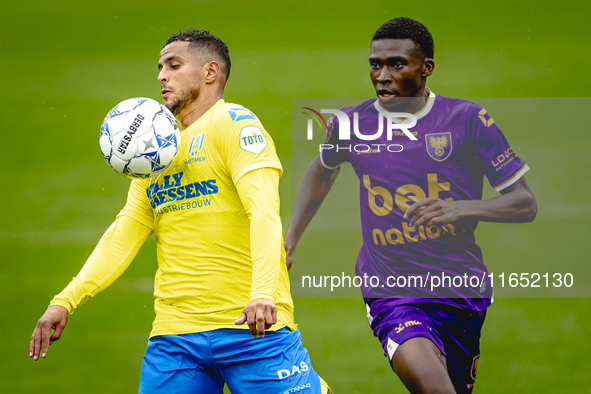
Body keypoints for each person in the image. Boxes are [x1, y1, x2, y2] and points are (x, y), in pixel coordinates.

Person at [30, 28, 331, 394]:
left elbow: (264, 211)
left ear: (210, 72)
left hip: (251, 325)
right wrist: (66, 299)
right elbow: (124, 231)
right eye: (159, 67)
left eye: (173, 65)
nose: (161, 76)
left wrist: (264, 292)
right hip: (175, 338)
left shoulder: (234, 125)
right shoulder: (155, 152)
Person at [285, 17, 537, 393]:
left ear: (426, 68)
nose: (382, 75)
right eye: (375, 64)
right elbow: (322, 170)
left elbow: (524, 203)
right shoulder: (352, 124)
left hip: (460, 289)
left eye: (396, 64)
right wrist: (289, 242)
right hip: (392, 291)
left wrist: (460, 208)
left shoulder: (467, 120)